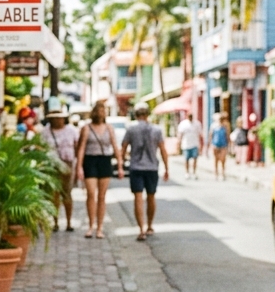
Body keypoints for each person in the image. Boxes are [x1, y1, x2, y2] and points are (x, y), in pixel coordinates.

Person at [75, 100, 123, 239]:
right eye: (99, 110)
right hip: (90, 161)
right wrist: (79, 167)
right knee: (91, 194)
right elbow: (81, 148)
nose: (101, 113)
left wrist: (119, 166)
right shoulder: (86, 128)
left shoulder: (109, 128)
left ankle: (100, 227)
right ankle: (91, 225)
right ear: (94, 112)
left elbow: (115, 146)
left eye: (103, 111)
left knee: (102, 196)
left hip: (104, 160)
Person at [121, 103, 169, 241]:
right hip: (152, 167)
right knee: (151, 196)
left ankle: (141, 229)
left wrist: (122, 164)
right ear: (148, 114)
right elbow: (163, 150)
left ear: (135, 115)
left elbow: (123, 148)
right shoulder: (156, 130)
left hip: (136, 167)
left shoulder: (131, 129)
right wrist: (166, 168)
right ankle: (149, 225)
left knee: (138, 197)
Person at [40, 106, 79, 231]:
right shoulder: (45, 132)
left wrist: (78, 165)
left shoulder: (71, 131)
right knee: (54, 194)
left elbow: (77, 147)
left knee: (67, 193)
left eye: (60, 118)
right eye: (55, 119)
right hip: (51, 166)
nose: (58, 121)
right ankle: (55, 222)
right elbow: (40, 148)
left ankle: (68, 222)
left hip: (67, 164)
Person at [177, 110, 202, 179]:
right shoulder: (183, 124)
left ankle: (194, 172)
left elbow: (200, 134)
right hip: (186, 144)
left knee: (195, 159)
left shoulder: (197, 124)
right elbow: (180, 134)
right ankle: (187, 172)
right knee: (186, 159)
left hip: (195, 144)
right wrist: (179, 144)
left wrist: (201, 145)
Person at [210, 113, 230, 178]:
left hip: (223, 144)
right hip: (215, 144)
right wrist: (210, 144)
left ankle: (223, 173)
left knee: (223, 159)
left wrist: (229, 144)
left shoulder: (225, 126)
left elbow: (227, 136)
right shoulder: (214, 126)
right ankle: (216, 173)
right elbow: (211, 135)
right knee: (216, 159)